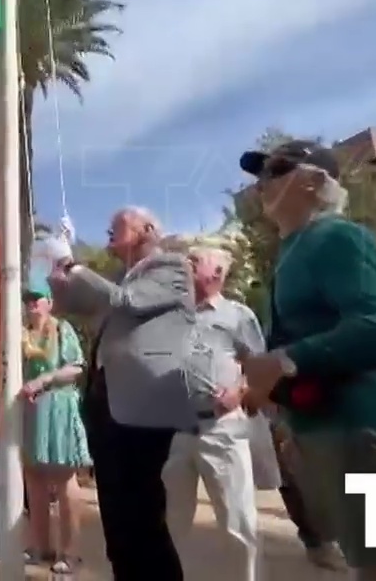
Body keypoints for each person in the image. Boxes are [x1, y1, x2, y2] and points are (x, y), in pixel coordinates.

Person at [236, 141, 376, 578]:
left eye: (276, 170)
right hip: (327, 428)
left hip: (361, 426)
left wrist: (284, 360)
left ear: (313, 181)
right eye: (260, 174)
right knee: (371, 563)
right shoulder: (295, 250)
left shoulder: (340, 237)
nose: (262, 183)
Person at [48, 206, 196, 581]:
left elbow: (128, 301)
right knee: (116, 515)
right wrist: (58, 276)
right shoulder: (117, 278)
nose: (108, 231)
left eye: (118, 225)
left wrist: (78, 268)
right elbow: (69, 307)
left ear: (147, 230)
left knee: (143, 514)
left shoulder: (172, 268)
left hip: (144, 404)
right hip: (106, 401)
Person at [164, 246, 262, 581]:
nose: (185, 266)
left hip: (222, 429)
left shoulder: (238, 315)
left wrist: (240, 390)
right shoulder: (172, 315)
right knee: (169, 524)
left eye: (194, 261)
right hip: (175, 432)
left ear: (218, 274)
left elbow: (260, 367)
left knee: (237, 523)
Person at [16, 284, 90, 575]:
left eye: (37, 298)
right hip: (30, 411)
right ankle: (39, 545)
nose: (31, 303)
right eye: (27, 299)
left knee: (63, 477)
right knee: (33, 477)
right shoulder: (20, 333)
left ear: (49, 302)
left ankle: (69, 551)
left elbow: (76, 367)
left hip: (59, 405)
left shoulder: (62, 329)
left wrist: (44, 380)